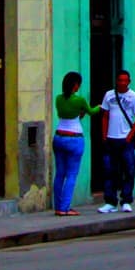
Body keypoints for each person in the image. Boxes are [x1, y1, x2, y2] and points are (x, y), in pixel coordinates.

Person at [52, 71, 100, 216]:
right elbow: (91, 111)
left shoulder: (58, 99)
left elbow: (65, 114)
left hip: (59, 137)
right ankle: (65, 207)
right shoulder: (79, 100)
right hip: (74, 138)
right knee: (72, 174)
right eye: (78, 84)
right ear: (75, 85)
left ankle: (58, 207)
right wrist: (100, 106)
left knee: (60, 173)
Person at [98, 70, 135, 213]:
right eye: (120, 80)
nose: (122, 83)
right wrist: (104, 135)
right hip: (111, 138)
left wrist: (129, 136)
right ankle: (110, 201)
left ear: (129, 82)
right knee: (109, 171)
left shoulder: (134, 97)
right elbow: (105, 116)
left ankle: (126, 200)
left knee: (129, 170)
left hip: (126, 139)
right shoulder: (109, 95)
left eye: (125, 80)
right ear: (116, 81)